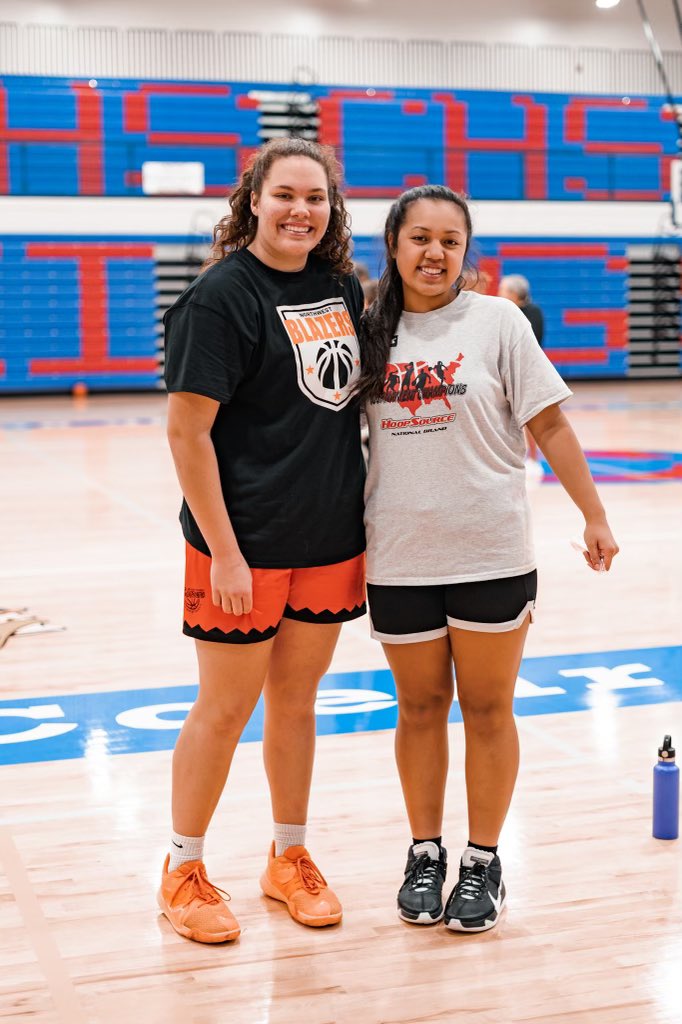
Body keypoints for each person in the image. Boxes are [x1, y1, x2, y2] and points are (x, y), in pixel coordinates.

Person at [356, 184, 618, 934]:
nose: (435, 252)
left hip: (491, 551)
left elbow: (553, 427)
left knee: (487, 708)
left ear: (466, 251)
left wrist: (594, 515)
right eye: (420, 238)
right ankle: (425, 851)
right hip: (400, 557)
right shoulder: (370, 331)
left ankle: (481, 859)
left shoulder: (500, 322)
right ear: (395, 245)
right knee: (419, 708)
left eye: (450, 240)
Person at [160, 138, 366, 943]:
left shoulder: (341, 285)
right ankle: (181, 869)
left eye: (315, 198)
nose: (299, 210)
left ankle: (288, 857)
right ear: (253, 200)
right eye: (284, 195)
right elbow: (187, 437)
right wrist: (227, 553)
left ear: (330, 209)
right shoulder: (221, 296)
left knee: (296, 699)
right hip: (241, 545)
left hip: (328, 538)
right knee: (225, 706)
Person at [498, 274, 546, 470]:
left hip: (526, 372)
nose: (499, 293)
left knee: (531, 418)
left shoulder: (528, 314)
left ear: (514, 294)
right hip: (505, 372)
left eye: (503, 290)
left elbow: (533, 344)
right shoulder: (504, 313)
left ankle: (533, 459)